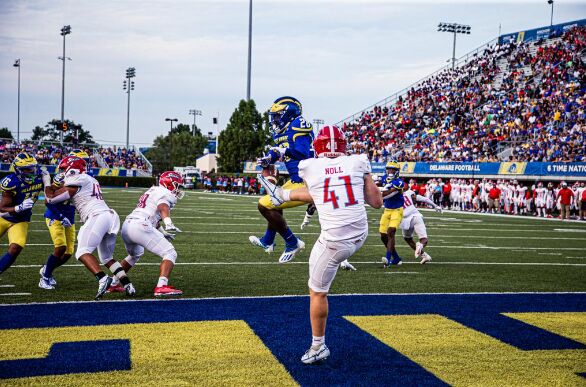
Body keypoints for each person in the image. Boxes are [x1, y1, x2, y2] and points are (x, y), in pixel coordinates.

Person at [258, 125, 382, 364]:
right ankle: (280, 196)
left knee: (317, 292)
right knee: (323, 190)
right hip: (360, 233)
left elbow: (314, 179)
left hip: (335, 241)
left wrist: (274, 160)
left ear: (318, 146)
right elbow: (375, 202)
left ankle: (318, 346)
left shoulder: (310, 166)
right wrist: (283, 195)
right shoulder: (358, 161)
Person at [43, 156, 135, 300]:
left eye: (63, 168)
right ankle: (127, 284)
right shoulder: (90, 179)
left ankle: (102, 278)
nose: (61, 172)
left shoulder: (77, 179)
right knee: (107, 258)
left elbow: (50, 198)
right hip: (109, 216)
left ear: (71, 168)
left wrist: (47, 182)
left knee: (82, 252)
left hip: (97, 216)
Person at [249, 96, 314, 263]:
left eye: (277, 115)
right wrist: (267, 159)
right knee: (274, 201)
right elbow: (277, 150)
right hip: (296, 179)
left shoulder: (299, 124)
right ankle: (268, 240)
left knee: (264, 204)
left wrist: (280, 152)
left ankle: (292, 242)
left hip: (307, 181)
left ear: (289, 113)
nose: (274, 120)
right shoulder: (284, 130)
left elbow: (302, 153)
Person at [119, 171, 184, 296]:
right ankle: (161, 286)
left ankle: (114, 282)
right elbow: (162, 207)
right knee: (170, 252)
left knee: (135, 254)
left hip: (128, 225)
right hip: (140, 225)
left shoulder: (153, 190)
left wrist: (163, 232)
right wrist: (168, 223)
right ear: (169, 183)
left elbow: (153, 217)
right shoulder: (165, 193)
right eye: (177, 185)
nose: (178, 189)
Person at [39, 149, 89, 289]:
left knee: (68, 253)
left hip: (69, 217)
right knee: (60, 247)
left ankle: (47, 269)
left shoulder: (83, 177)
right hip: (55, 216)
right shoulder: (61, 178)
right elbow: (49, 200)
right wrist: (60, 216)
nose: (86, 164)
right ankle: (45, 277)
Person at [0, 153, 43, 275]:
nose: (32, 171)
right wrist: (18, 208)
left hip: (21, 220)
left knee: (16, 247)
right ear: (18, 170)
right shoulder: (11, 182)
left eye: (33, 168)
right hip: (4, 217)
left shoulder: (40, 177)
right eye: (27, 169)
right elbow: (2, 208)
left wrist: (48, 182)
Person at [400, 188, 442, 263]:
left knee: (408, 239)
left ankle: (424, 255)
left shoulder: (392, 196)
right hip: (416, 216)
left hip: (405, 220)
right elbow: (424, 199)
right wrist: (435, 206)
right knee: (424, 239)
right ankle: (422, 249)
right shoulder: (409, 193)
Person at [378, 161, 405, 267]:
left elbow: (388, 194)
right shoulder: (384, 178)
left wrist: (378, 194)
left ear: (397, 171)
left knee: (391, 232)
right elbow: (378, 186)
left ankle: (388, 258)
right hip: (387, 210)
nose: (390, 171)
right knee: (383, 235)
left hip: (397, 210)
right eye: (389, 169)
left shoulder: (399, 182)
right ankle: (396, 258)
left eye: (393, 169)